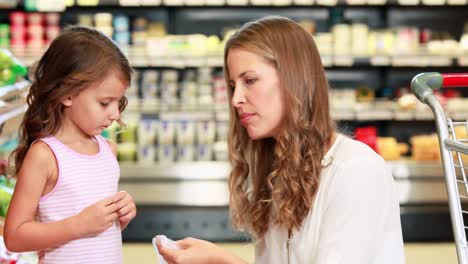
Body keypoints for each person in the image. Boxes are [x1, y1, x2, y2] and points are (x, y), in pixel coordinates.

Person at [157, 16, 405, 264]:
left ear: (293, 79)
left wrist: (224, 261)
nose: (236, 99)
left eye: (250, 81)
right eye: (233, 85)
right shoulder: (280, 175)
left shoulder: (356, 171)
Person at [4, 26, 137, 263]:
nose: (116, 114)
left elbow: (92, 241)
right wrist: (79, 224)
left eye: (119, 102)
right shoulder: (45, 155)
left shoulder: (108, 150)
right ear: (67, 94)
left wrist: (118, 218)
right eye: (105, 102)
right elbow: (14, 236)